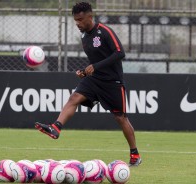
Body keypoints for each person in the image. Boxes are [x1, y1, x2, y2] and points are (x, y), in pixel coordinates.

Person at [35, 1, 141, 166]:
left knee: (120, 118)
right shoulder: (84, 35)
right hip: (95, 79)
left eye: (80, 19)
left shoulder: (104, 31)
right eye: (75, 20)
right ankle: (55, 127)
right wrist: (84, 72)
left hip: (113, 82)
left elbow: (120, 53)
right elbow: (95, 60)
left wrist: (95, 67)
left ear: (90, 17)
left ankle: (135, 154)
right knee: (74, 97)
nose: (77, 23)